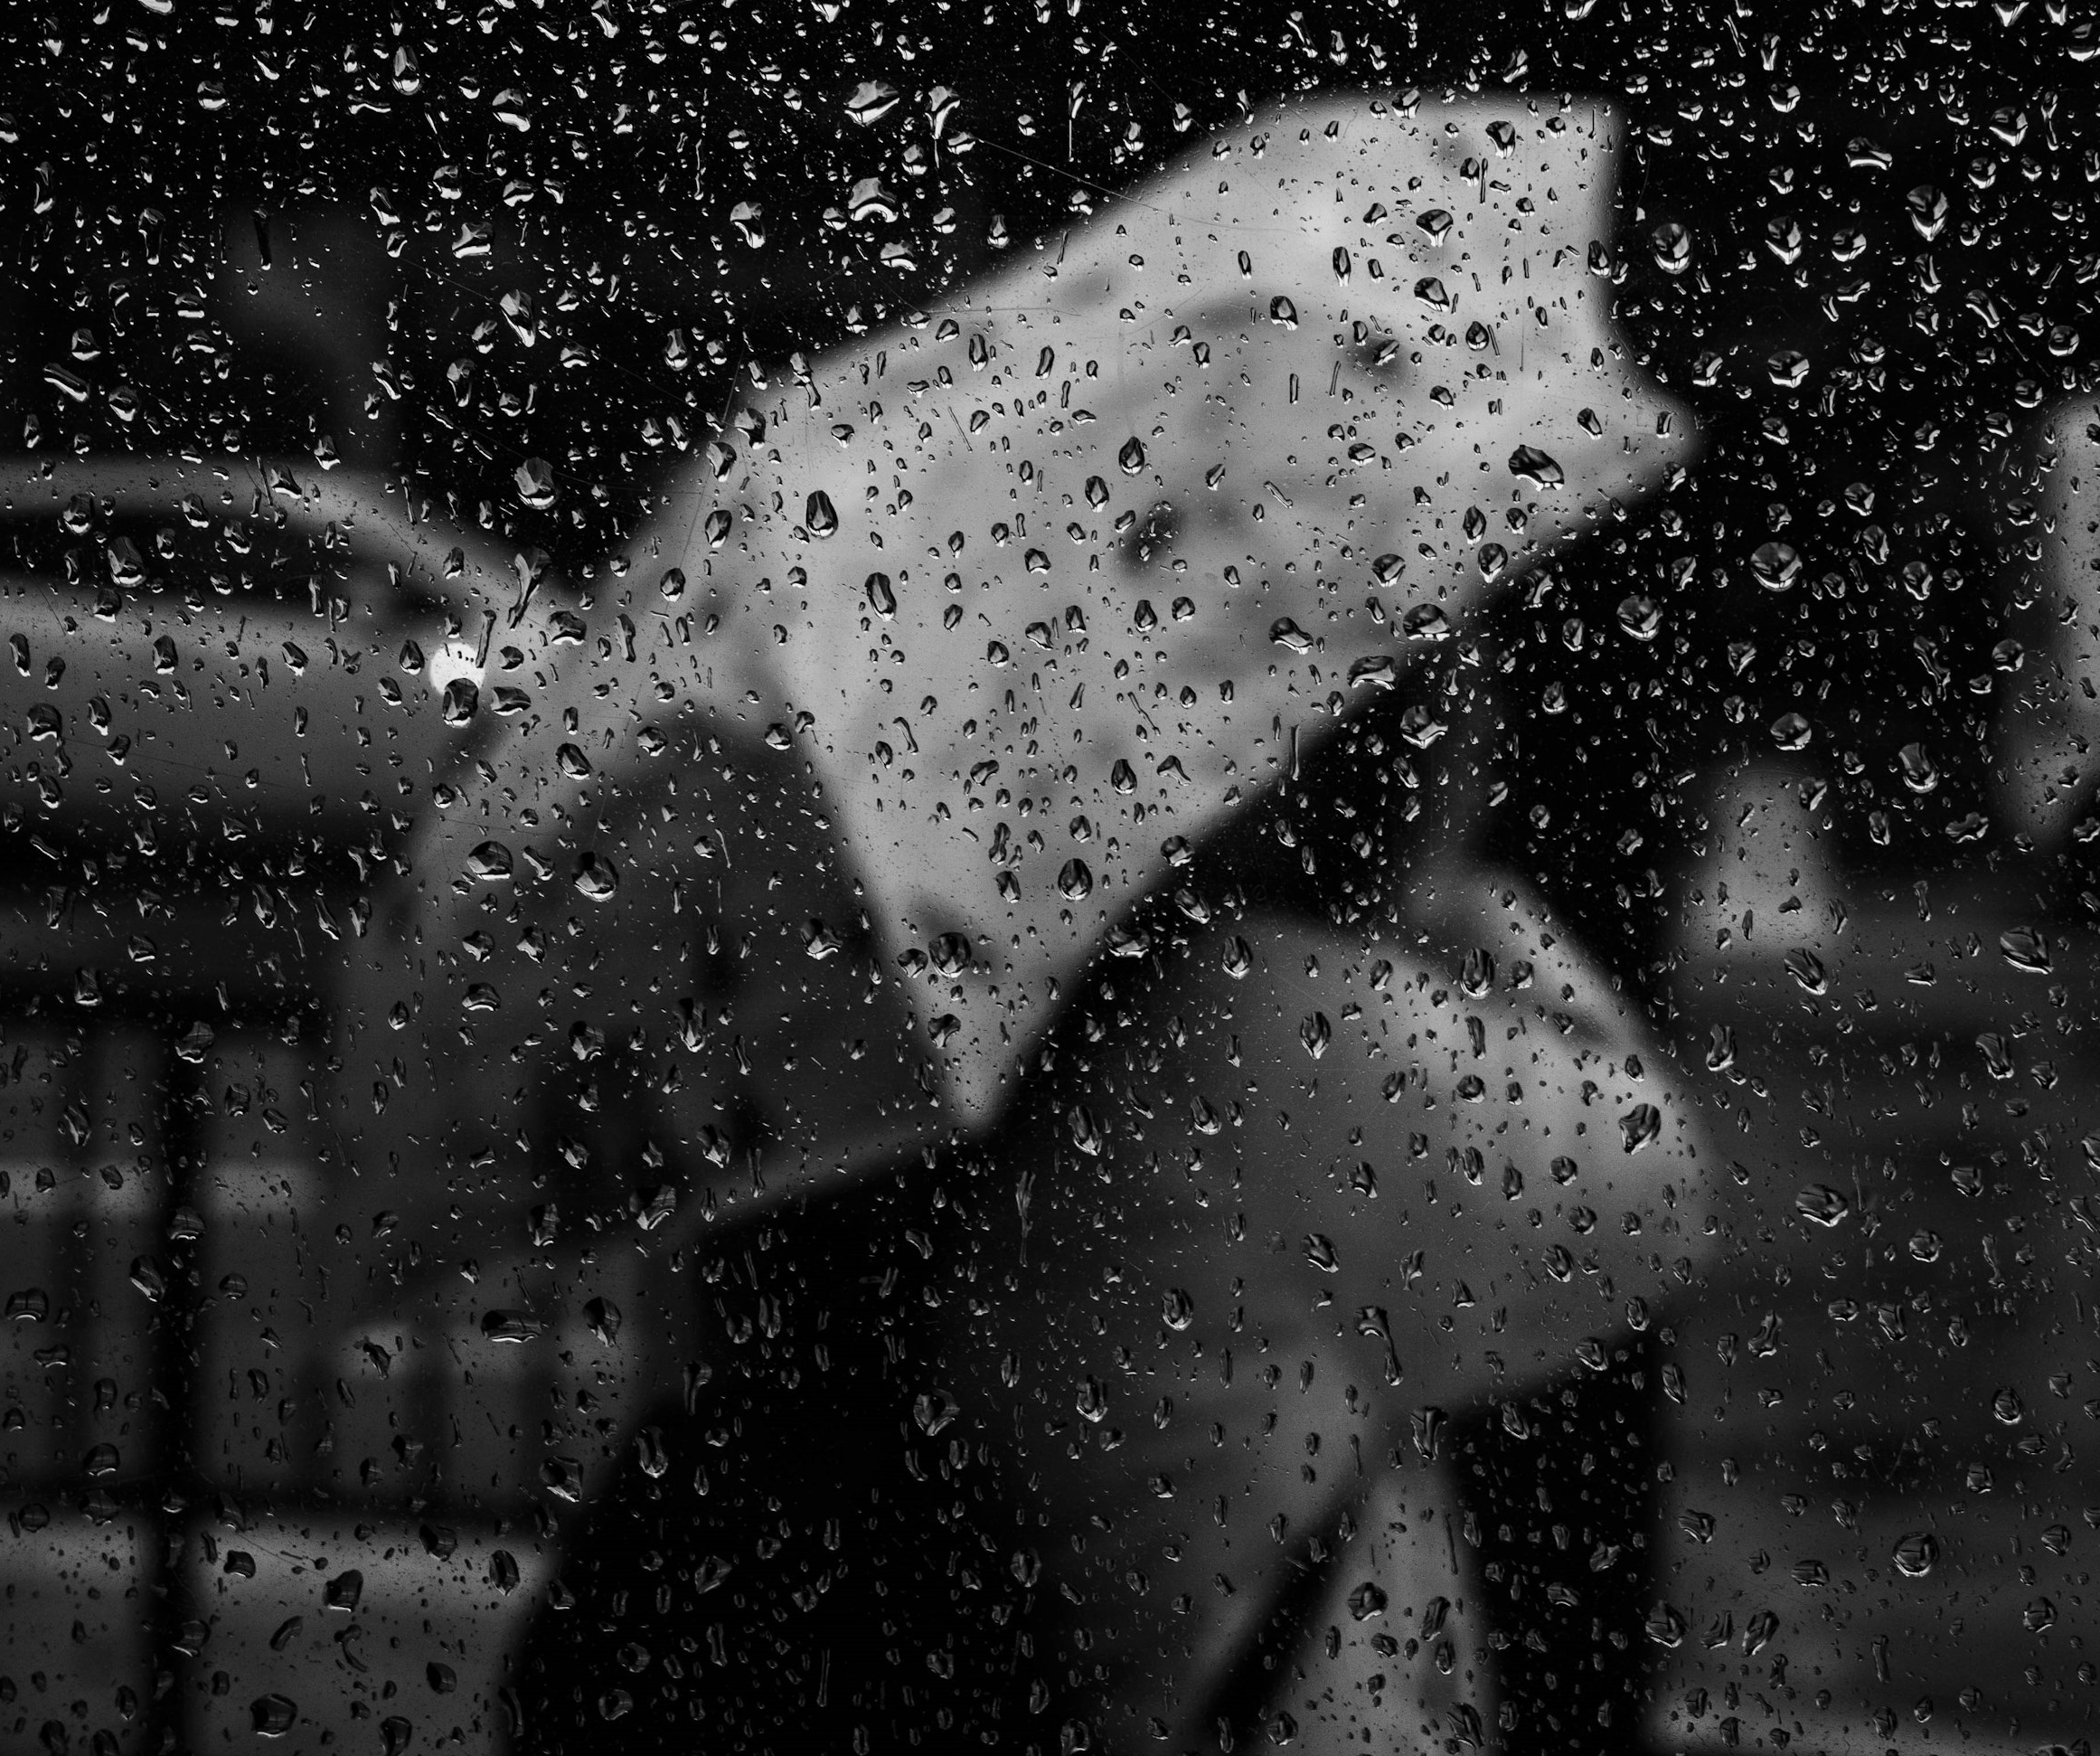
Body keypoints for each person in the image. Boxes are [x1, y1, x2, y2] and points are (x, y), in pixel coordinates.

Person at [507, 666, 1709, 1755]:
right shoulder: (1295, 1029)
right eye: (1462, 723)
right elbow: (1661, 1200)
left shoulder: (904, 1026)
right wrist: (1484, 908)